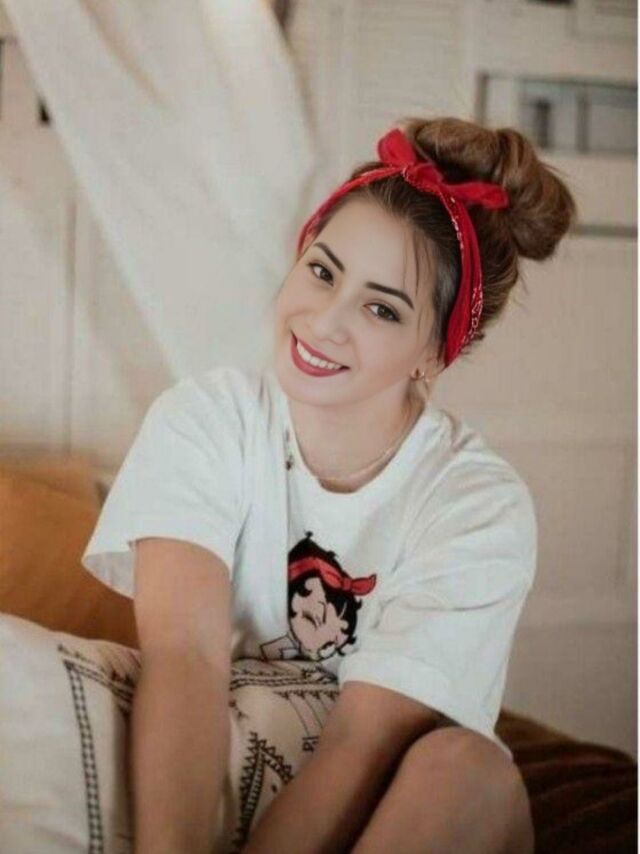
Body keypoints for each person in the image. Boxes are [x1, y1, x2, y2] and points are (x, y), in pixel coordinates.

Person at [82, 116, 577, 854]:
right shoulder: (206, 420)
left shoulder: (476, 505)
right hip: (247, 768)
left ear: (432, 353)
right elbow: (185, 657)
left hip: (403, 810)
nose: (324, 322)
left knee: (465, 766)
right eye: (322, 271)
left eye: (381, 308)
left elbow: (361, 747)